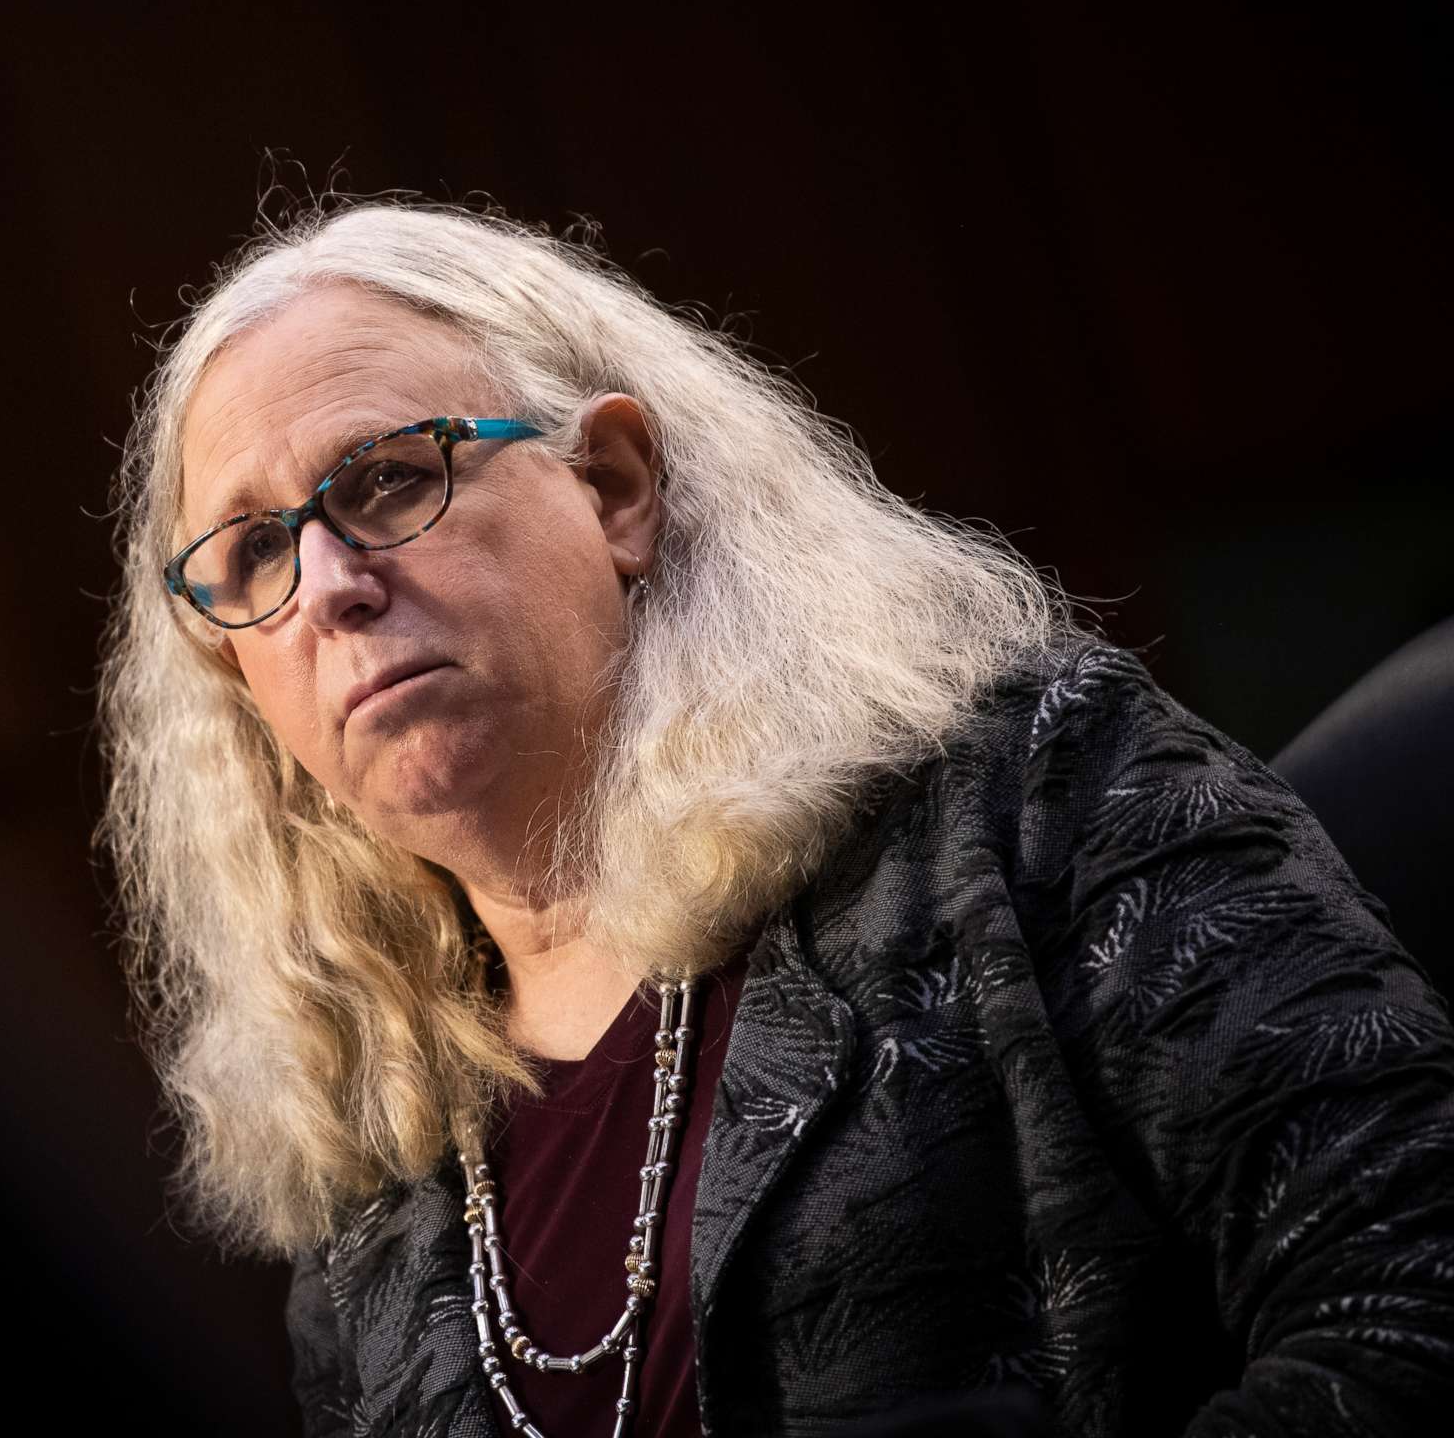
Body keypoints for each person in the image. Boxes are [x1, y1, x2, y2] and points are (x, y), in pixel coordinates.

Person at [96, 202, 1454, 1437]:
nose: (327, 583)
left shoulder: (1025, 794)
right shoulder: (370, 1205)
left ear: (615, 488)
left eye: (389, 479)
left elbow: (1412, 1304)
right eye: (256, 550)